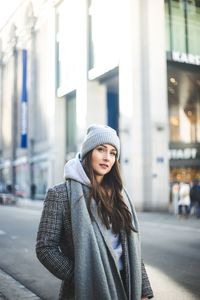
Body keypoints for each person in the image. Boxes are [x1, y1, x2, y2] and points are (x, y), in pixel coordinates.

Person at [36, 124, 154, 300]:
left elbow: (131, 248)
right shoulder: (60, 194)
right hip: (84, 289)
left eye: (113, 153)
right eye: (101, 149)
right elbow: (45, 248)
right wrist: (82, 275)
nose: (107, 157)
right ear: (88, 152)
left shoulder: (120, 195)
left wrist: (144, 291)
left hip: (126, 285)